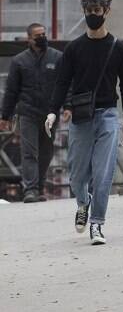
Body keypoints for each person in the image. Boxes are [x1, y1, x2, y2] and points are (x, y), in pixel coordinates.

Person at [45, 0, 123, 245]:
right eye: (89, 11)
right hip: (81, 116)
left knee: (103, 173)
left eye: (97, 11)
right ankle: (83, 203)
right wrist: (53, 110)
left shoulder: (119, 49)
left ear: (107, 12)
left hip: (108, 114)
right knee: (78, 175)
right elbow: (62, 82)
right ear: (85, 12)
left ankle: (97, 224)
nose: (93, 16)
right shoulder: (74, 48)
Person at [1, 23, 69, 202]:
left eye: (44, 34)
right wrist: (5, 116)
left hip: (50, 114)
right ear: (29, 39)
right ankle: (30, 190)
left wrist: (68, 106)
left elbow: (65, 84)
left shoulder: (57, 57)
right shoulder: (19, 61)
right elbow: (11, 91)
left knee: (46, 152)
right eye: (38, 35)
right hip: (28, 113)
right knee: (29, 152)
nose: (42, 37)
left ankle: (39, 188)